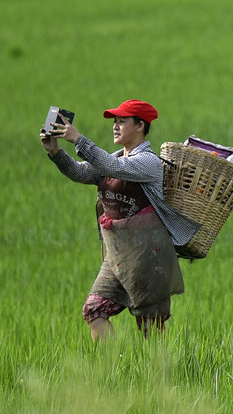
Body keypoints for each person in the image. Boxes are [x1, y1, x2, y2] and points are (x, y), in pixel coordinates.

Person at [41, 99, 199, 339]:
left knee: (150, 324)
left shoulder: (149, 162)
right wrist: (55, 152)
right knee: (94, 309)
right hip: (117, 253)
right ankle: (111, 371)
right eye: (114, 121)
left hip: (148, 253)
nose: (115, 126)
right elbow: (81, 172)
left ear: (139, 126)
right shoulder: (116, 158)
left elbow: (113, 167)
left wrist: (79, 139)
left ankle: (163, 373)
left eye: (122, 121)